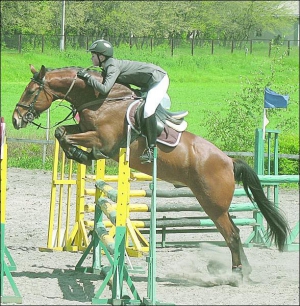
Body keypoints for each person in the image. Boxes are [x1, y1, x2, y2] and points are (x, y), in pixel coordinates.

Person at [76, 39, 169, 164]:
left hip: (158, 80)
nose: (91, 59)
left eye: (93, 56)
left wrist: (88, 78)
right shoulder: (108, 66)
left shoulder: (112, 66)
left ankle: (151, 150)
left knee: (148, 110)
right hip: (146, 82)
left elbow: (104, 89)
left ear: (101, 56)